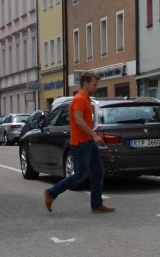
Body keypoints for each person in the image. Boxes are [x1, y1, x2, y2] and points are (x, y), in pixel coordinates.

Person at [44, 71, 114, 213]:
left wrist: (92, 138)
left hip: (89, 142)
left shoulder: (87, 99)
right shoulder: (79, 99)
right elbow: (78, 119)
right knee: (80, 174)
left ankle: (97, 204)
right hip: (80, 143)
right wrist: (94, 135)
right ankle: (51, 193)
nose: (96, 87)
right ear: (86, 83)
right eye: (94, 84)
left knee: (98, 172)